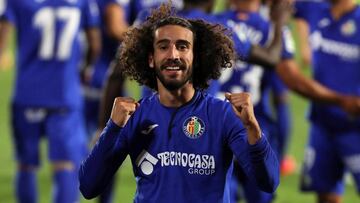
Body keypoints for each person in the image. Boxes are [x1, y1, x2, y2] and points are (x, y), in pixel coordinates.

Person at [79, 3, 280, 202]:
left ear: (196, 57)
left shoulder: (223, 115)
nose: (173, 55)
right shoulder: (135, 117)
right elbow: (88, 187)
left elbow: (268, 182)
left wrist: (253, 127)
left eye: (182, 47)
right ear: (151, 59)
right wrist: (112, 128)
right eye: (163, 47)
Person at [0, 0, 100, 202]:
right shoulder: (81, 2)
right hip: (65, 94)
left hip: (27, 93)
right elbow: (95, 45)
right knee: (65, 163)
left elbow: (3, 35)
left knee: (26, 164)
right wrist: (85, 68)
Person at [216, 0, 294, 202]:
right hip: (255, 127)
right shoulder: (273, 30)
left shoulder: (215, 24)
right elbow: (281, 98)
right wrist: (280, 153)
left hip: (217, 126)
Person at [293, 0, 360, 202]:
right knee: (325, 193)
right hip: (322, 123)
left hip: (355, 126)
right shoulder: (314, 8)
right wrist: (304, 43)